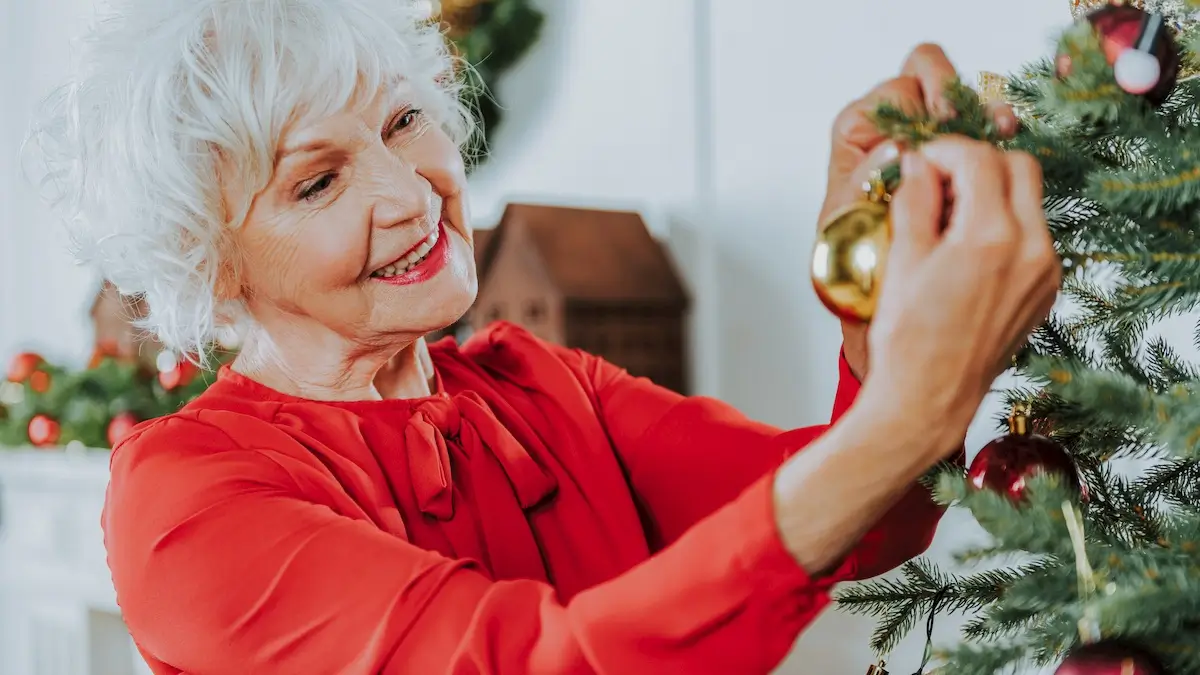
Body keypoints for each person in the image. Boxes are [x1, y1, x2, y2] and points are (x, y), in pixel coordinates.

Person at [27, 1, 1060, 673]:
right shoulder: (186, 497)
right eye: (318, 181)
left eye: (399, 123)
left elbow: (862, 520)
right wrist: (907, 411)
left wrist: (872, 305)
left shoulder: (538, 383)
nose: (409, 196)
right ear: (213, 263)